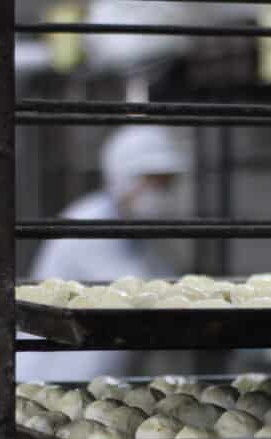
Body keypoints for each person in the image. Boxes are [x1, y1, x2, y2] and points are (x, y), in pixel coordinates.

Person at [17, 126, 188, 382]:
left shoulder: (138, 228)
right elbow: (141, 295)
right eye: (153, 181)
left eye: (166, 182)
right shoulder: (90, 222)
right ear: (123, 178)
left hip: (97, 375)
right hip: (52, 375)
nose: (161, 192)